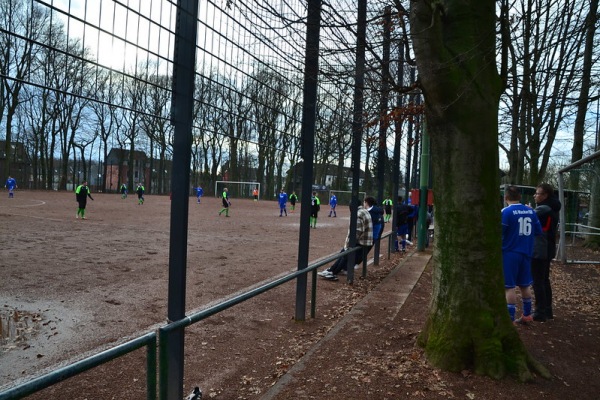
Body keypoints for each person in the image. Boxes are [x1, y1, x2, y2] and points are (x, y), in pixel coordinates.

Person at [501, 185, 542, 324]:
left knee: (509, 286)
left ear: (506, 197)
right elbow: (538, 231)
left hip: (510, 253)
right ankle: (527, 315)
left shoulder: (505, 212)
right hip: (526, 252)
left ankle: (510, 319)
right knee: (525, 285)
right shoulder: (531, 211)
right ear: (520, 197)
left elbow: (500, 233)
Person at [319, 201, 373, 280]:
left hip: (361, 243)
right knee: (343, 253)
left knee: (345, 254)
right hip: (365, 241)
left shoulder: (357, 214)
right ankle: (331, 270)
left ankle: (333, 272)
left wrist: (348, 245)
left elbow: (356, 232)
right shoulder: (365, 211)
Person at [531, 183, 561, 322]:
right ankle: (547, 310)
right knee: (544, 280)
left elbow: (529, 216)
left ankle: (540, 312)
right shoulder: (552, 207)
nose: (535, 195)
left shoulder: (544, 208)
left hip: (540, 249)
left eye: (537, 193)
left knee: (538, 281)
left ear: (545, 195)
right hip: (547, 248)